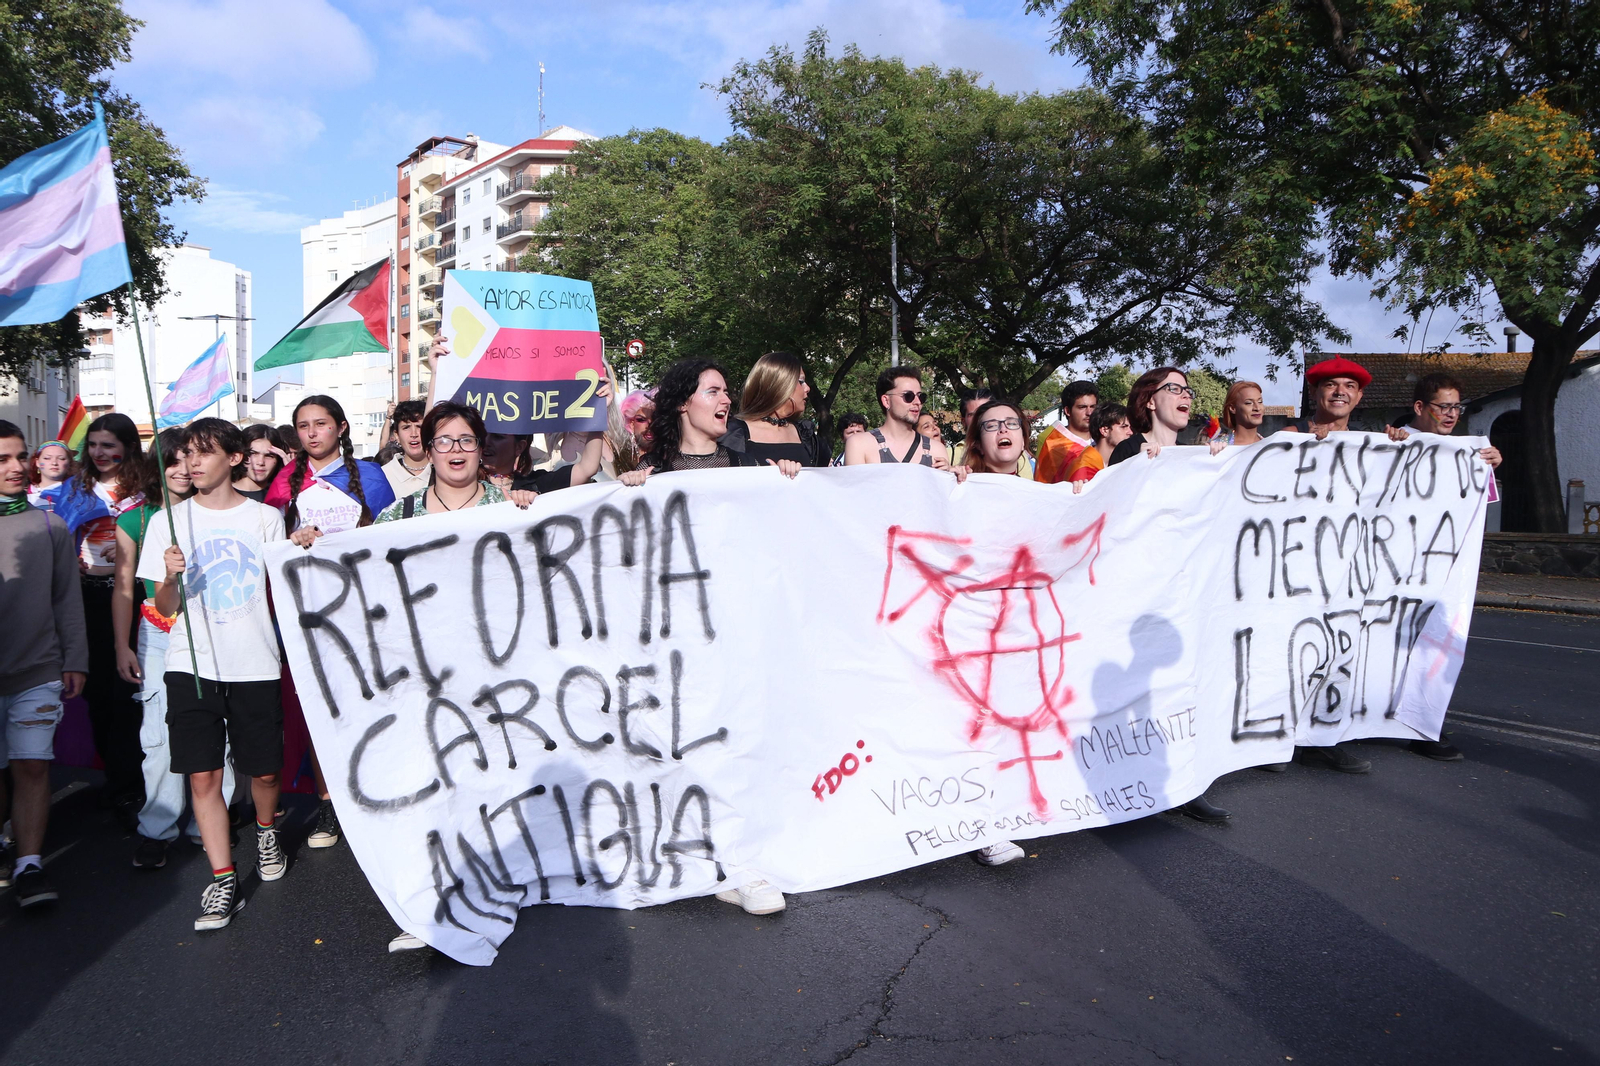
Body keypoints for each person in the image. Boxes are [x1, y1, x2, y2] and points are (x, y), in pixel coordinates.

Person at [136, 418, 289, 931]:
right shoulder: (167, 522)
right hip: (190, 663)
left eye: (204, 452)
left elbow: (284, 585)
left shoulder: (266, 519)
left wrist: (303, 543)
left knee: (264, 771)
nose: (191, 463)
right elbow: (163, 607)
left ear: (236, 458)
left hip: (255, 662)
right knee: (203, 774)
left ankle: (266, 830)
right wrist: (171, 578)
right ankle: (223, 877)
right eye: (184, 455)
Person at [266, 396, 395, 848]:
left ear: (341, 427)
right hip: (310, 614)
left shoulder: (372, 477)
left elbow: (394, 537)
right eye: (303, 426)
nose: (312, 433)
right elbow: (270, 544)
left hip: (364, 611)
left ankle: (379, 793)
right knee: (322, 711)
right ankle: (327, 804)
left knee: (369, 705)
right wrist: (290, 539)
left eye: (321, 424)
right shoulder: (284, 481)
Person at [113, 427, 227, 869]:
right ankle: (156, 827)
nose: (182, 470)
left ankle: (209, 824)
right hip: (157, 633)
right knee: (158, 735)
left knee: (219, 729)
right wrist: (122, 646)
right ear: (156, 465)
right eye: (173, 460)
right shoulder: (135, 520)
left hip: (213, 630)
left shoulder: (221, 512)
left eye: (190, 459)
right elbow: (123, 588)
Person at [39, 413, 149, 825]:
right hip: (85, 602)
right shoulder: (74, 488)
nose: (100, 453)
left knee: (130, 696)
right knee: (98, 697)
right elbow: (57, 537)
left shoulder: (145, 489)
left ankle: (134, 784)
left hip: (133, 599)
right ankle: (118, 779)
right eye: (94, 445)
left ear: (126, 447)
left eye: (109, 445)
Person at [0, 420, 87, 906]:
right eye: (3, 460)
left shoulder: (51, 524)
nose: (17, 468)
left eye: (20, 456)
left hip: (38, 671)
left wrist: (75, 659)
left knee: (32, 766)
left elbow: (66, 600)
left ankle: (30, 864)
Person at [620, 359, 801, 487]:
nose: (727, 401)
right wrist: (630, 486)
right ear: (682, 403)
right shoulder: (654, 468)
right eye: (713, 392)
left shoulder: (746, 464)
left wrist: (785, 479)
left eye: (726, 392)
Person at [722, 351, 827, 467]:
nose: (807, 388)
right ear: (780, 385)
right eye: (800, 381)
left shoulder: (807, 436)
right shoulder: (733, 433)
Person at [842, 366, 952, 470]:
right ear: (886, 400)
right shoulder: (860, 445)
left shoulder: (936, 450)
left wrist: (956, 478)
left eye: (921, 396)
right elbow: (854, 488)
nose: (917, 402)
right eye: (908, 396)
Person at [1109, 368, 1194, 466]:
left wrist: (1213, 460)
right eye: (1174, 389)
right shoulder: (1128, 450)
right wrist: (1138, 462)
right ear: (1151, 402)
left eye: (1188, 391)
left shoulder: (1189, 455)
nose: (1186, 395)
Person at [1035, 381, 1098, 484]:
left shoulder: (1105, 440)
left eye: (1093, 407)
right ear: (1067, 411)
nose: (1089, 413)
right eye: (1082, 407)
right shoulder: (1052, 444)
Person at [1064, 402, 1131, 484]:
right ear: (1104, 430)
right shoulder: (1083, 466)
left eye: (1130, 427)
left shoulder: (1126, 460)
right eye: (1124, 427)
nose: (1130, 432)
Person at [963, 399, 1032, 477]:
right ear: (979, 444)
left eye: (1012, 423)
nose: (1003, 429)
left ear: (1023, 441)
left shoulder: (1033, 488)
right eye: (992, 426)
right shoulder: (962, 485)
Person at [381, 400, 430, 498]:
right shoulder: (383, 475)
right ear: (397, 435)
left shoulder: (443, 471)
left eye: (419, 427)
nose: (414, 434)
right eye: (406, 427)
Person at [235, 424, 287, 503]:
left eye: (269, 456)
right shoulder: (223, 494)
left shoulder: (284, 497)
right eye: (253, 453)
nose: (260, 462)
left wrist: (291, 472)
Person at [1214, 382, 1266, 447]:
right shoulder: (1216, 447)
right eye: (1249, 403)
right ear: (1233, 408)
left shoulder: (1271, 447)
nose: (1257, 408)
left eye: (1260, 402)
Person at [27, 440, 74, 508]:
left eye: (61, 458)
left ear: (69, 463)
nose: (54, 463)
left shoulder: (76, 494)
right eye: (47, 458)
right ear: (37, 462)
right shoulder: (23, 495)